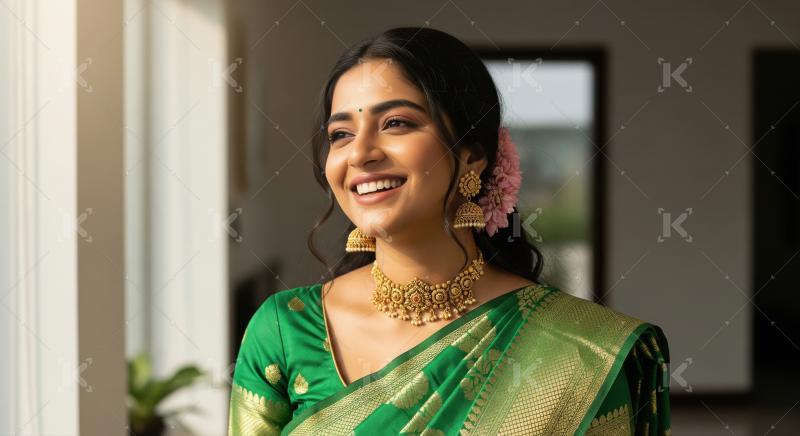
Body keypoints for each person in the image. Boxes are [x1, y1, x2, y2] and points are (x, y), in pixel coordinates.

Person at [228, 27, 670, 436]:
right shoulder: (284, 329)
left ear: (473, 156)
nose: (359, 153)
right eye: (341, 133)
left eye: (396, 123)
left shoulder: (580, 351)